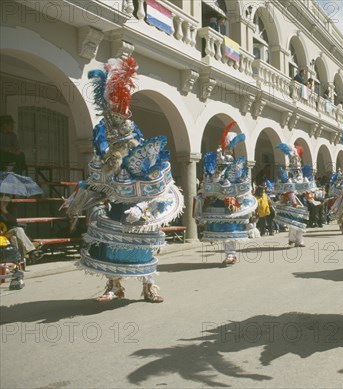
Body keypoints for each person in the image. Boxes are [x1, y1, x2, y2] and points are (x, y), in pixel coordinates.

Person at [63, 55, 184, 303]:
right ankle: (114, 286)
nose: (118, 123)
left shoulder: (136, 137)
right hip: (116, 201)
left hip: (141, 203)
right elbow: (98, 172)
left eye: (122, 119)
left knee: (145, 247)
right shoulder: (102, 136)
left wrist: (141, 204)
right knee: (112, 247)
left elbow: (151, 170)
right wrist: (81, 198)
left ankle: (149, 286)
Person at [197, 121, 257, 264]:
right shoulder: (217, 165)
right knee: (223, 230)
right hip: (218, 200)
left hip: (232, 201)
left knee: (231, 229)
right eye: (227, 148)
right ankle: (229, 253)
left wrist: (241, 196)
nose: (228, 152)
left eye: (230, 148)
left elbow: (241, 182)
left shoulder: (236, 167)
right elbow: (212, 180)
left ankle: (231, 254)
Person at [0, 195, 40, 262]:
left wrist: (4, 210)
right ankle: (30, 252)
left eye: (6, 202)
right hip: (2, 234)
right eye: (3, 202)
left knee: (17, 233)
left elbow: (14, 222)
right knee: (16, 235)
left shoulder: (11, 208)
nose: (5, 203)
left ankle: (28, 254)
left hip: (8, 232)